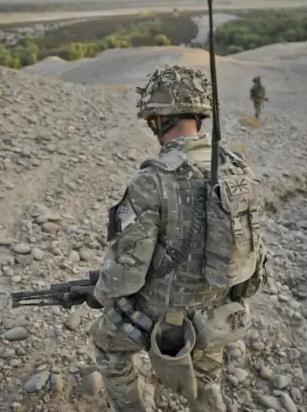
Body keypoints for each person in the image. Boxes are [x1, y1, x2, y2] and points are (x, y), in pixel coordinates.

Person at [88, 64, 268, 412]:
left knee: (106, 343)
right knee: (207, 379)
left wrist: (101, 294)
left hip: (161, 316)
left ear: (157, 119)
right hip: (218, 311)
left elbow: (127, 274)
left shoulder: (151, 182)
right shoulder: (238, 171)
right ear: (199, 115)